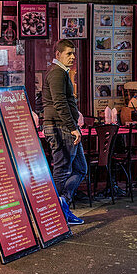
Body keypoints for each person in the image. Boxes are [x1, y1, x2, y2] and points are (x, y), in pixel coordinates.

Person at [43, 40, 86, 226]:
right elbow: (59, 103)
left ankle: (62, 204)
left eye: (73, 53)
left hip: (63, 126)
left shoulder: (62, 73)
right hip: (61, 128)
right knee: (62, 170)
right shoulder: (57, 73)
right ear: (58, 54)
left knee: (80, 168)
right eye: (69, 53)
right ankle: (57, 212)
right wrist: (72, 127)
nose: (73, 57)